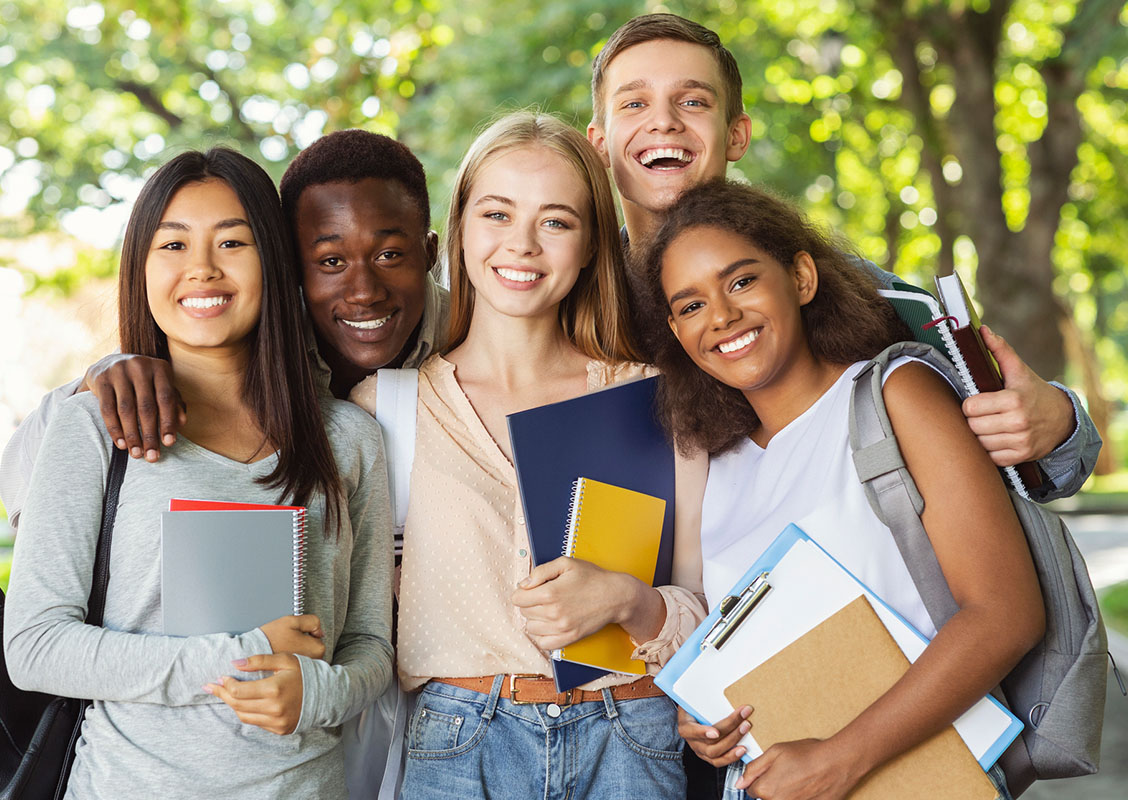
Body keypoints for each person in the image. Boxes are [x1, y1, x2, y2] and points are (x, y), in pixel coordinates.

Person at [2, 148, 394, 799]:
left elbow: (372, 645)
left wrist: (319, 691)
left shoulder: (349, 440)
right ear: (142, 266)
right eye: (174, 244)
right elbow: (36, 646)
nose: (202, 269)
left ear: (273, 259)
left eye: (232, 241)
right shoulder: (94, 427)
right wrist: (237, 657)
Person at [585, 12, 1101, 504]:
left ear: (737, 135)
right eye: (633, 104)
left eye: (693, 101)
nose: (664, 123)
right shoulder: (569, 302)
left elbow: (1029, 465)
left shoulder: (851, 291)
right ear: (599, 144)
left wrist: (1056, 425)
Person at [644, 178, 1044, 800]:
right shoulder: (716, 463)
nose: (721, 316)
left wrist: (842, 759)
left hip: (916, 780)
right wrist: (706, 721)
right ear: (675, 330)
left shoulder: (895, 394)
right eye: (691, 305)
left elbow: (1006, 614)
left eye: (742, 281)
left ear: (802, 278)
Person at [348, 112, 707, 799]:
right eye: (497, 214)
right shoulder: (385, 411)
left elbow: (711, 609)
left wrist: (629, 601)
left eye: (556, 222)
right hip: (457, 745)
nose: (522, 245)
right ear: (458, 230)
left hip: (629, 739)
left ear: (590, 246)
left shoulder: (656, 402)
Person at [0, 130, 448, 529]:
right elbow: (23, 493)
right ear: (289, 265)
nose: (364, 291)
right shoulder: (239, 344)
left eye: (389, 255)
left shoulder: (474, 337)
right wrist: (96, 381)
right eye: (330, 262)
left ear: (429, 252)